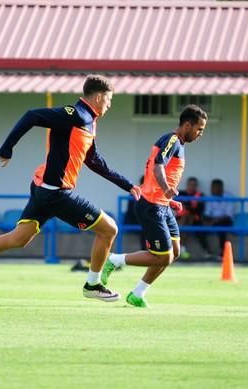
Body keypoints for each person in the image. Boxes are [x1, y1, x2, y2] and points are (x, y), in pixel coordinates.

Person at [0, 75, 141, 301]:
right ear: (97, 97)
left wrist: (128, 185)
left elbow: (94, 160)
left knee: (19, 238)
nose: (109, 105)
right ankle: (93, 285)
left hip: (44, 188)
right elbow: (32, 115)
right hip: (55, 192)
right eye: (109, 100)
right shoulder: (74, 114)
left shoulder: (89, 122)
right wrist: (7, 148)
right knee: (109, 229)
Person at [100, 105, 208, 308]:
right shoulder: (173, 140)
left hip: (162, 204)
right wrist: (167, 189)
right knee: (163, 256)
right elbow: (158, 165)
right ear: (187, 125)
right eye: (199, 128)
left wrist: (168, 198)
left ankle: (138, 294)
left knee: (174, 252)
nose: (200, 133)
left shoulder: (179, 143)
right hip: (151, 204)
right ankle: (114, 260)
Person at [176, 176, 214, 259]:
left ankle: (207, 252)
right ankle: (180, 248)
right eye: (190, 184)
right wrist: (188, 207)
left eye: (194, 185)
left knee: (197, 228)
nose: (192, 186)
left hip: (195, 219)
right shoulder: (180, 193)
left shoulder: (200, 195)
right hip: (179, 219)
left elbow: (198, 210)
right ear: (187, 185)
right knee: (182, 222)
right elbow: (176, 205)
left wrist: (187, 206)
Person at [203, 178, 234, 259]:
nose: (212, 189)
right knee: (199, 226)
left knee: (222, 228)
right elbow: (207, 213)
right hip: (213, 220)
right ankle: (208, 252)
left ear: (220, 188)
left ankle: (223, 253)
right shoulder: (210, 198)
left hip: (225, 220)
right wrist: (207, 221)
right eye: (212, 187)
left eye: (215, 187)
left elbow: (228, 215)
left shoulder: (228, 197)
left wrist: (213, 221)